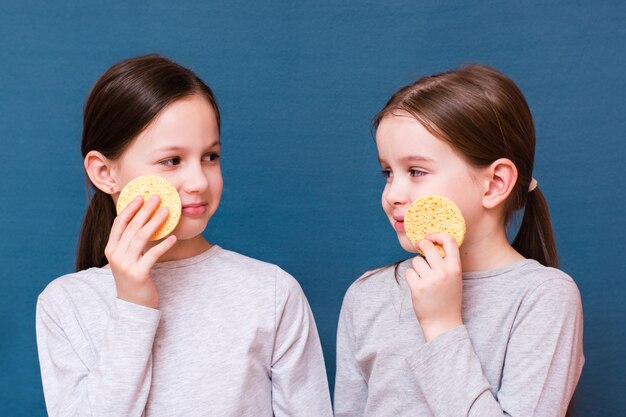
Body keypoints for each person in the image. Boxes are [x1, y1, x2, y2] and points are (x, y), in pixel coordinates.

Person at [36, 54, 332, 417]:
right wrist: (133, 305)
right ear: (104, 172)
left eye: (210, 157)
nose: (198, 182)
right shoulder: (66, 305)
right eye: (172, 161)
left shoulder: (271, 293)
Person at [334, 64, 584, 416]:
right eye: (388, 173)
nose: (393, 194)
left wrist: (442, 325)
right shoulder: (367, 296)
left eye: (416, 172)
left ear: (495, 183)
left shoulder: (544, 298)